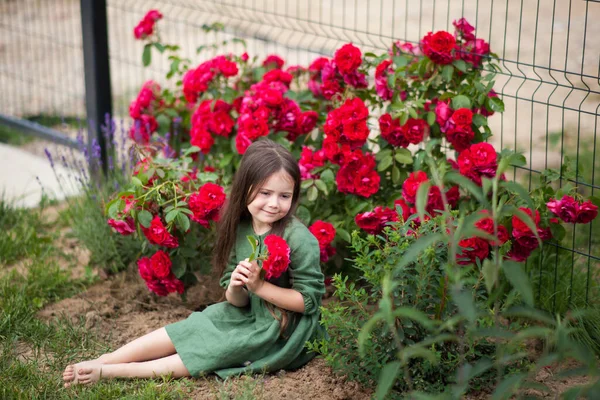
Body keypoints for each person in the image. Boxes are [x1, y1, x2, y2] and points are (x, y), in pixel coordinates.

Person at [63, 139, 325, 386]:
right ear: (245, 188)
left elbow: (309, 302)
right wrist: (236, 287)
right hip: (249, 313)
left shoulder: (299, 238)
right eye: (265, 193)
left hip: (283, 329)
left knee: (217, 348)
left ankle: (114, 372)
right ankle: (106, 359)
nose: (274, 204)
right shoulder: (241, 227)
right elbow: (238, 301)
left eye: (284, 196)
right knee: (198, 324)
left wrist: (260, 288)